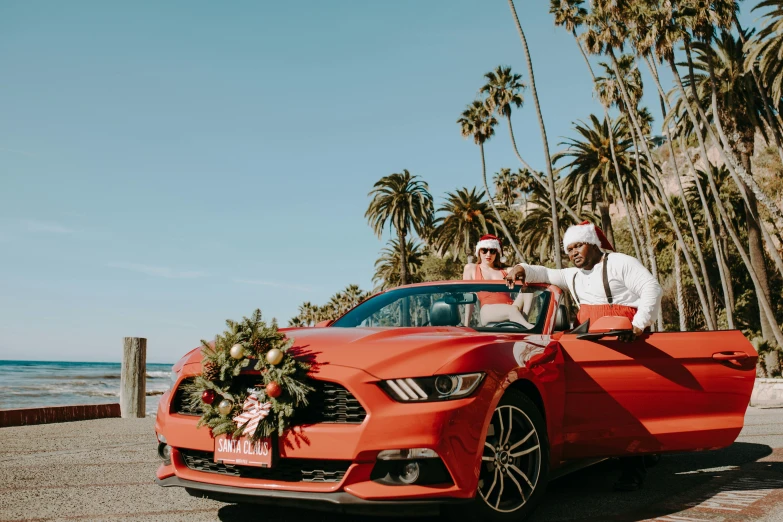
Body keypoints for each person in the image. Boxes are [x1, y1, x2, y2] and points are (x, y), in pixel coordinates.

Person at [504, 221, 663, 491]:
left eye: (578, 246)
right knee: (600, 405)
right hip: (588, 341)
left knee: (625, 405)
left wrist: (639, 322)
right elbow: (545, 272)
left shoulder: (621, 263)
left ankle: (633, 468)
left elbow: (652, 288)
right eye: (569, 249)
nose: (573, 253)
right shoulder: (572, 275)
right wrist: (521, 269)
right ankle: (626, 452)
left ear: (592, 243)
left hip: (623, 340)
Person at [463, 234, 533, 328]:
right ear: (479, 251)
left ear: (497, 253)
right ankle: (528, 328)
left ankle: (523, 320)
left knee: (528, 288)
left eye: (492, 251)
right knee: (512, 311)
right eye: (484, 250)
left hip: (512, 307)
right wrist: (466, 325)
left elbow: (525, 272)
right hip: (488, 309)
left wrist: (516, 272)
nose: (488, 254)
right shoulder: (471, 268)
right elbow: (469, 298)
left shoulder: (505, 271)